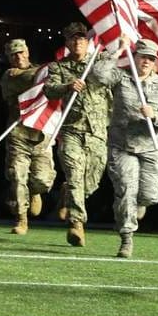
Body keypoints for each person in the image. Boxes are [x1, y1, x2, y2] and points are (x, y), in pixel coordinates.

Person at [93, 38, 158, 258]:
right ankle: (126, 237)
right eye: (143, 57)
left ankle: (140, 204)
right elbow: (99, 76)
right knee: (125, 190)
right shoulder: (121, 78)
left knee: (150, 195)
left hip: (152, 146)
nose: (147, 62)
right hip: (123, 145)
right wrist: (118, 50)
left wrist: (155, 115)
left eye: (151, 58)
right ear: (135, 57)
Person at [44, 21, 114, 248]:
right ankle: (77, 224)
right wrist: (67, 86)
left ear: (88, 41)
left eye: (82, 39)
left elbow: (113, 77)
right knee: (75, 176)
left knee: (91, 182)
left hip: (98, 133)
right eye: (73, 39)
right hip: (72, 130)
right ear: (67, 43)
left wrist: (119, 47)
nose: (78, 42)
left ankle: (67, 195)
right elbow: (48, 89)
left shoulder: (99, 63)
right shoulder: (58, 67)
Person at [0, 38, 56, 234]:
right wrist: (48, 73)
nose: (19, 57)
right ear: (9, 58)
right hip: (18, 132)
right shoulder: (9, 76)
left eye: (21, 52)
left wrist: (48, 73)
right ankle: (21, 219)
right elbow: (29, 81)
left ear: (28, 52)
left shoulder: (43, 71)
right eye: (14, 54)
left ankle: (34, 191)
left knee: (43, 179)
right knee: (17, 174)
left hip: (41, 132)